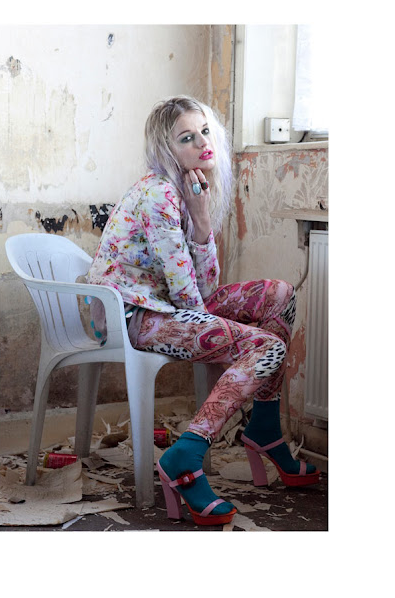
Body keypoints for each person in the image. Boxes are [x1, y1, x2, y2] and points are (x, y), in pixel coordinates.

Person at [86, 95, 319, 527]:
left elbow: (204, 291)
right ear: (166, 149)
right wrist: (230, 336)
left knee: (281, 294)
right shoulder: (158, 194)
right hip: (135, 315)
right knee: (267, 347)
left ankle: (264, 428)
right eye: (187, 138)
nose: (202, 143)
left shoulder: (186, 190)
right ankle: (186, 455)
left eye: (205, 132)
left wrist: (201, 219)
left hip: (170, 305)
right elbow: (190, 297)